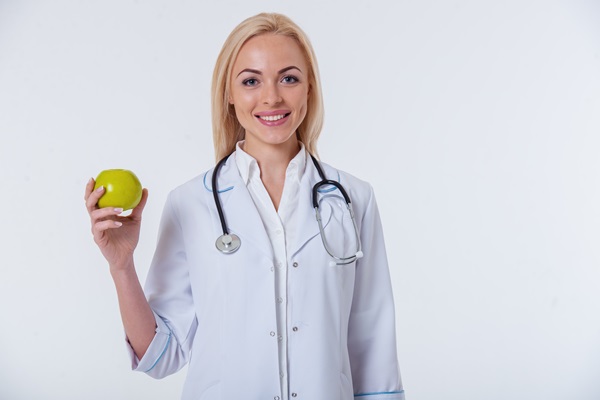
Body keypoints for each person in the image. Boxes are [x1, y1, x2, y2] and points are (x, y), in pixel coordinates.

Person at [85, 12, 405, 400]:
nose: (271, 97)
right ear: (229, 94)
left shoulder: (354, 198)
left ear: (309, 89)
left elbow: (372, 341)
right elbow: (161, 355)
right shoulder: (191, 204)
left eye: (289, 78)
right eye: (251, 81)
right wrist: (121, 266)